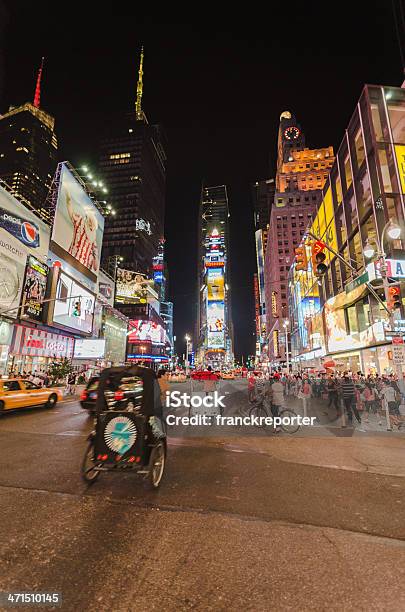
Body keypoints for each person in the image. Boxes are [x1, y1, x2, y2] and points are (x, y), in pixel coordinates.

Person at [65, 189, 99, 272]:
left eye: (93, 223)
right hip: (72, 262)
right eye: (91, 221)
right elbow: (69, 207)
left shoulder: (93, 241)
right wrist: (68, 196)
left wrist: (95, 256)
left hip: (81, 270)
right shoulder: (80, 222)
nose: (91, 224)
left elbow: (95, 267)